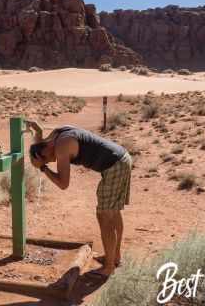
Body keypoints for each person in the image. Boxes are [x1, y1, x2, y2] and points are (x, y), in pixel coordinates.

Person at [25, 119, 132, 279]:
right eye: (47, 161)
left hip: (114, 166)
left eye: (48, 158)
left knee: (104, 216)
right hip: (121, 158)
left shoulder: (61, 148)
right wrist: (38, 131)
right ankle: (114, 257)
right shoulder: (56, 135)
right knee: (113, 212)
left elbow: (63, 184)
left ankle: (109, 267)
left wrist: (43, 168)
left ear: (48, 147)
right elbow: (41, 146)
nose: (51, 161)